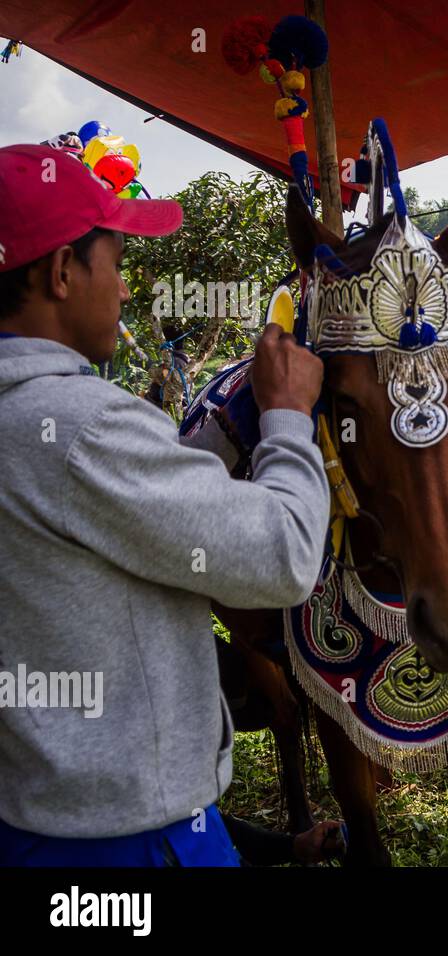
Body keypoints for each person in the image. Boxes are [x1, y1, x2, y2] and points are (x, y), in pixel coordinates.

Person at [0, 144, 330, 866]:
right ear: (61, 271)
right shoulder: (84, 428)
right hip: (136, 841)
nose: (123, 293)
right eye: (115, 264)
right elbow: (284, 555)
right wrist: (285, 417)